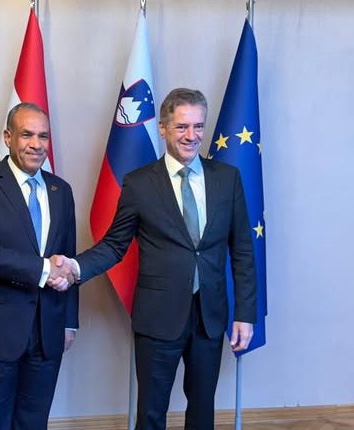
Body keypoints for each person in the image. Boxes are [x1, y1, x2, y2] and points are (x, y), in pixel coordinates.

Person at [51, 88, 257, 430]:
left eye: (198, 126)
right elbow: (114, 245)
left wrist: (245, 314)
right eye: (182, 127)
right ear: (163, 128)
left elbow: (243, 250)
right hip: (158, 318)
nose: (191, 136)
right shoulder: (139, 184)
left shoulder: (227, 179)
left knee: (203, 410)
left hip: (209, 316)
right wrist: (74, 267)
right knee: (150, 412)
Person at [0, 102, 78, 430]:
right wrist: (44, 270)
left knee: (34, 423)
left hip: (47, 331)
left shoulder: (61, 191)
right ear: (8, 137)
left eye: (43, 136)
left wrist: (69, 322)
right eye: (27, 135)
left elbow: (68, 258)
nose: (36, 144)